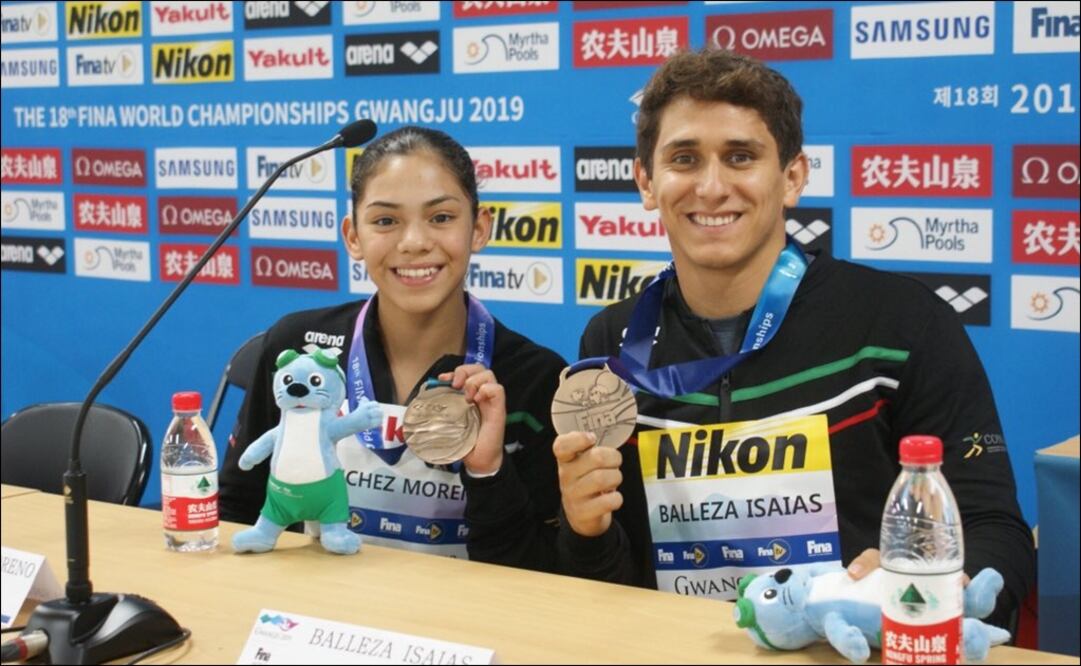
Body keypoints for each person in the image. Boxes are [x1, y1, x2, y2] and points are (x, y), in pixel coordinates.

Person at [553, 48, 1034, 629]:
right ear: (647, 182)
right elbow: (612, 587)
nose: (710, 186)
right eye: (684, 158)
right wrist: (586, 531)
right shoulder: (613, 341)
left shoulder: (901, 323)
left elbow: (994, 530)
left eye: (740, 157)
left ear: (793, 177)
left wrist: (925, 590)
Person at [221, 126, 565, 572]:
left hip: (468, 632)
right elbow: (236, 511)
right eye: (385, 220)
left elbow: (542, 576)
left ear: (479, 229)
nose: (414, 242)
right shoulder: (299, 348)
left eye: (441, 217)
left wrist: (487, 471)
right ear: (353, 236)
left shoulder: (534, 379)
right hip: (314, 626)